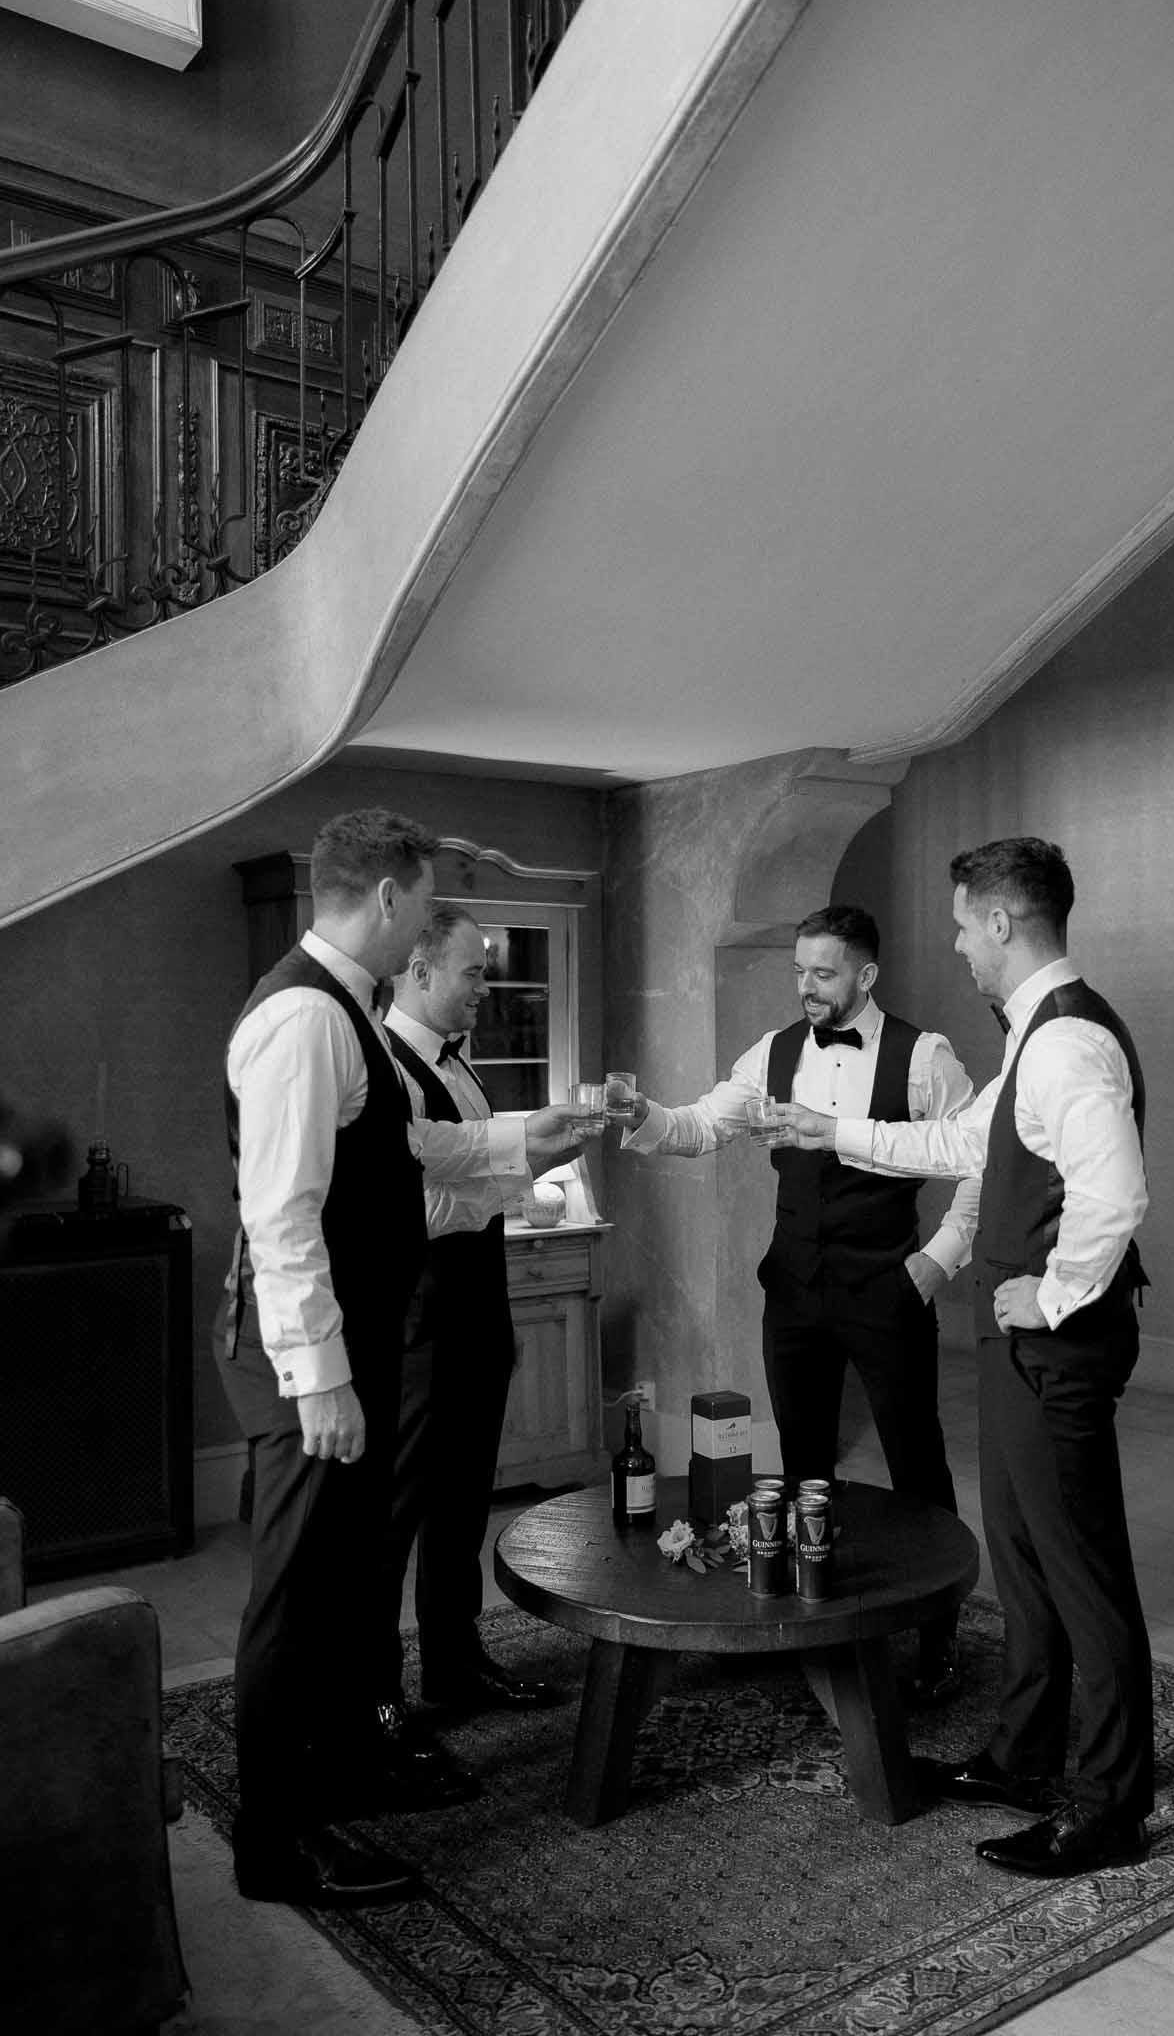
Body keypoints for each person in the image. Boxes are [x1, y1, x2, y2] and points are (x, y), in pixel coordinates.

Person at [217, 808, 579, 1907]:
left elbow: (402, 1145)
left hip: (357, 1343)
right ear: (386, 899)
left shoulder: (350, 1016)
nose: (426, 926)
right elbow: (281, 1211)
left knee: (333, 1589)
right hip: (309, 1362)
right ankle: (277, 1843)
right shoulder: (304, 1016)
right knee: (298, 1596)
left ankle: (330, 1781)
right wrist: (322, 1374)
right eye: (424, 905)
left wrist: (522, 1135)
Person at [780, 840, 1153, 1878]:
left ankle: (1110, 1806)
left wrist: (1056, 1289)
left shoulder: (1070, 1040)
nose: (953, 941)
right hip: (1015, 1338)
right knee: (1025, 1556)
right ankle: (1024, 1754)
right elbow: (959, 1147)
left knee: (1083, 1572)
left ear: (1000, 922)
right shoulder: (1033, 1032)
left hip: (1057, 1340)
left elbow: (1113, 1195)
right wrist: (826, 1124)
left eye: (960, 923)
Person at [623, 903, 979, 1702]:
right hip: (791, 1288)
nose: (806, 988)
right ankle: (802, 1624)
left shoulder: (925, 1058)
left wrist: (937, 1260)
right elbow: (698, 1126)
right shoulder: (774, 1052)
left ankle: (937, 1638)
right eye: (798, 971)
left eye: (822, 973)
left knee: (914, 1457)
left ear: (865, 974)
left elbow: (978, 1161)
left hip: (887, 1286)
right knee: (803, 1458)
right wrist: (640, 1115)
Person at [381, 904, 566, 1720]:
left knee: (460, 1511)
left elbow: (467, 1183)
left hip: (476, 1319)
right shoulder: (382, 1070)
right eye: (473, 972)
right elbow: (402, 1210)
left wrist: (537, 1155)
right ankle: (374, 1701)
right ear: (419, 974)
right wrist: (522, 1154)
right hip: (416, 1330)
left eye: (487, 971)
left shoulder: (460, 1065)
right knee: (391, 1523)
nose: (485, 989)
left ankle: (456, 1668)